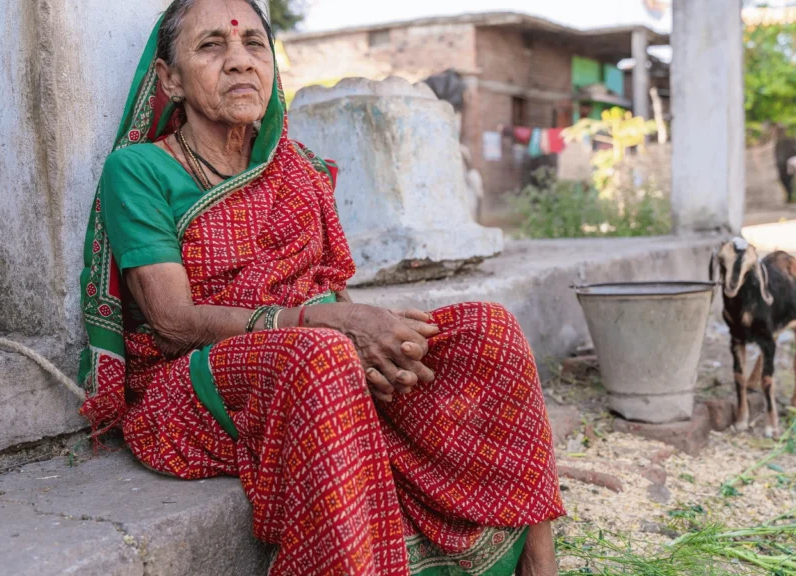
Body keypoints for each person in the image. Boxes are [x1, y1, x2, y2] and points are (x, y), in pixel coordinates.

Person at [76, 1, 565, 574]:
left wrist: (376, 346)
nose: (239, 63)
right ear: (170, 80)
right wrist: (325, 327)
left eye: (254, 46)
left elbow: (329, 290)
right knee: (326, 356)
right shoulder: (139, 170)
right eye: (212, 47)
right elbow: (172, 320)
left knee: (489, 330)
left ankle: (537, 562)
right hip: (196, 383)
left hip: (317, 351)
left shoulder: (299, 168)